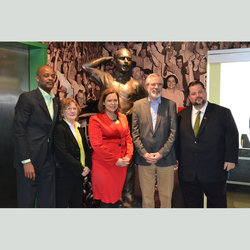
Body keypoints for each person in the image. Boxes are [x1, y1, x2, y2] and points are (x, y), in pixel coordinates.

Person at [82, 48, 147, 206]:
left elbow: (145, 103)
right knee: (109, 161)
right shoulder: (106, 78)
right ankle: (113, 194)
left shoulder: (136, 85)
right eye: (121, 59)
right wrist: (106, 58)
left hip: (126, 126)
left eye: (128, 59)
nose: (126, 62)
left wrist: (134, 111)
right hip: (105, 127)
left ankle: (128, 193)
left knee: (127, 162)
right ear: (114, 61)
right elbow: (86, 67)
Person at [177, 80, 239, 208]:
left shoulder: (223, 113)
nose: (197, 95)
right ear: (189, 97)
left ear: (205, 92)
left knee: (217, 206)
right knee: (191, 206)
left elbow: (232, 136)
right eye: (193, 93)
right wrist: (175, 159)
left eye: (200, 92)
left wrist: (230, 159)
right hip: (189, 173)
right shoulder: (181, 115)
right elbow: (177, 140)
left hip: (215, 172)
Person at [13, 65, 60, 208]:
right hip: (29, 161)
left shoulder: (56, 101)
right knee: (26, 202)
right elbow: (19, 131)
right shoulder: (27, 98)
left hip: (48, 161)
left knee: (47, 202)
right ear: (37, 78)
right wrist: (25, 161)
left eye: (53, 76)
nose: (50, 78)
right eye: (46, 75)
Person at [132, 73, 177, 208]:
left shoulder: (170, 105)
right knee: (147, 199)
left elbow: (173, 133)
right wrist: (144, 153)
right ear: (146, 87)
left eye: (159, 84)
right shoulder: (137, 106)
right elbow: (135, 133)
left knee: (166, 198)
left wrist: (161, 153)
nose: (156, 87)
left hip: (166, 159)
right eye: (153, 84)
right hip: (144, 160)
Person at [88, 89, 133, 208]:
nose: (113, 103)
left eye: (115, 100)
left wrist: (128, 157)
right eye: (109, 100)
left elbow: (128, 138)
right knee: (107, 201)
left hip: (121, 164)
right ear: (103, 103)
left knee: (116, 199)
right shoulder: (95, 119)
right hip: (104, 165)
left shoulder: (123, 117)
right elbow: (96, 145)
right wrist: (115, 160)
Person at [53, 98, 92, 208]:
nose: (72, 111)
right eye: (68, 108)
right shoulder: (60, 128)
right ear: (62, 112)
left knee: (77, 204)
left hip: (78, 175)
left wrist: (88, 166)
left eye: (74, 108)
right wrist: (80, 168)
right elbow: (62, 153)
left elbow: (86, 149)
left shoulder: (78, 127)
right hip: (65, 176)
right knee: (62, 205)